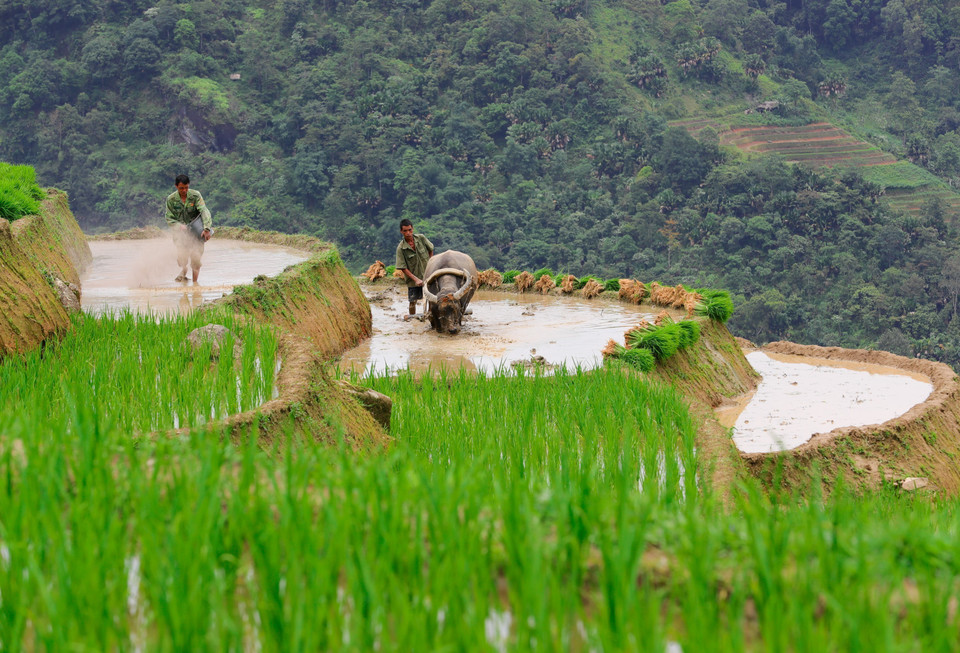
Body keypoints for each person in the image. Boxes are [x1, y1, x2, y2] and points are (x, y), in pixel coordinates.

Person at [165, 174, 212, 283]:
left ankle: (195, 285)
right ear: (176, 186)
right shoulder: (171, 199)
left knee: (196, 259)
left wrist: (207, 228)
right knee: (182, 260)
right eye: (181, 188)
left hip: (197, 231)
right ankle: (183, 270)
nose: (184, 190)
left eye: (186, 187)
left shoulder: (195, 195)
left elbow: (204, 211)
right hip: (181, 234)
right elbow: (169, 218)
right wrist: (179, 225)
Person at [395, 218, 433, 316]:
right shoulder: (401, 248)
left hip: (428, 275)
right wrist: (416, 279)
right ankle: (412, 319)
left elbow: (431, 249)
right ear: (401, 231)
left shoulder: (421, 238)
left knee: (432, 300)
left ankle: (431, 316)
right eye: (405, 231)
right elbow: (403, 267)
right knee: (412, 302)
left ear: (413, 229)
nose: (408, 233)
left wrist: (431, 264)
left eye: (410, 230)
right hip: (413, 280)